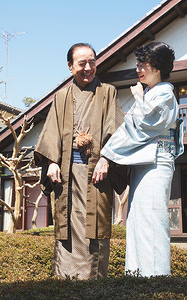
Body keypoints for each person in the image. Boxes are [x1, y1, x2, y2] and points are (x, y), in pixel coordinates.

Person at [34, 43, 127, 279]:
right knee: (67, 228)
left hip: (97, 174)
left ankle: (95, 284)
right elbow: (51, 132)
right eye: (82, 63)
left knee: (95, 229)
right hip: (67, 174)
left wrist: (106, 157)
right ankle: (65, 281)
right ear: (70, 66)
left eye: (92, 62)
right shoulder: (62, 96)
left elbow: (116, 129)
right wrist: (52, 162)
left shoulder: (108, 92)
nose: (88, 67)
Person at [101, 41, 181, 277]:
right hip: (144, 162)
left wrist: (106, 154)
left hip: (156, 162)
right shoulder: (151, 93)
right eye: (138, 62)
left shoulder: (165, 94)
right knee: (137, 220)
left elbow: (143, 127)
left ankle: (155, 280)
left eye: (144, 63)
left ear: (157, 67)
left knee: (151, 221)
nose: (139, 67)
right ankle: (137, 278)